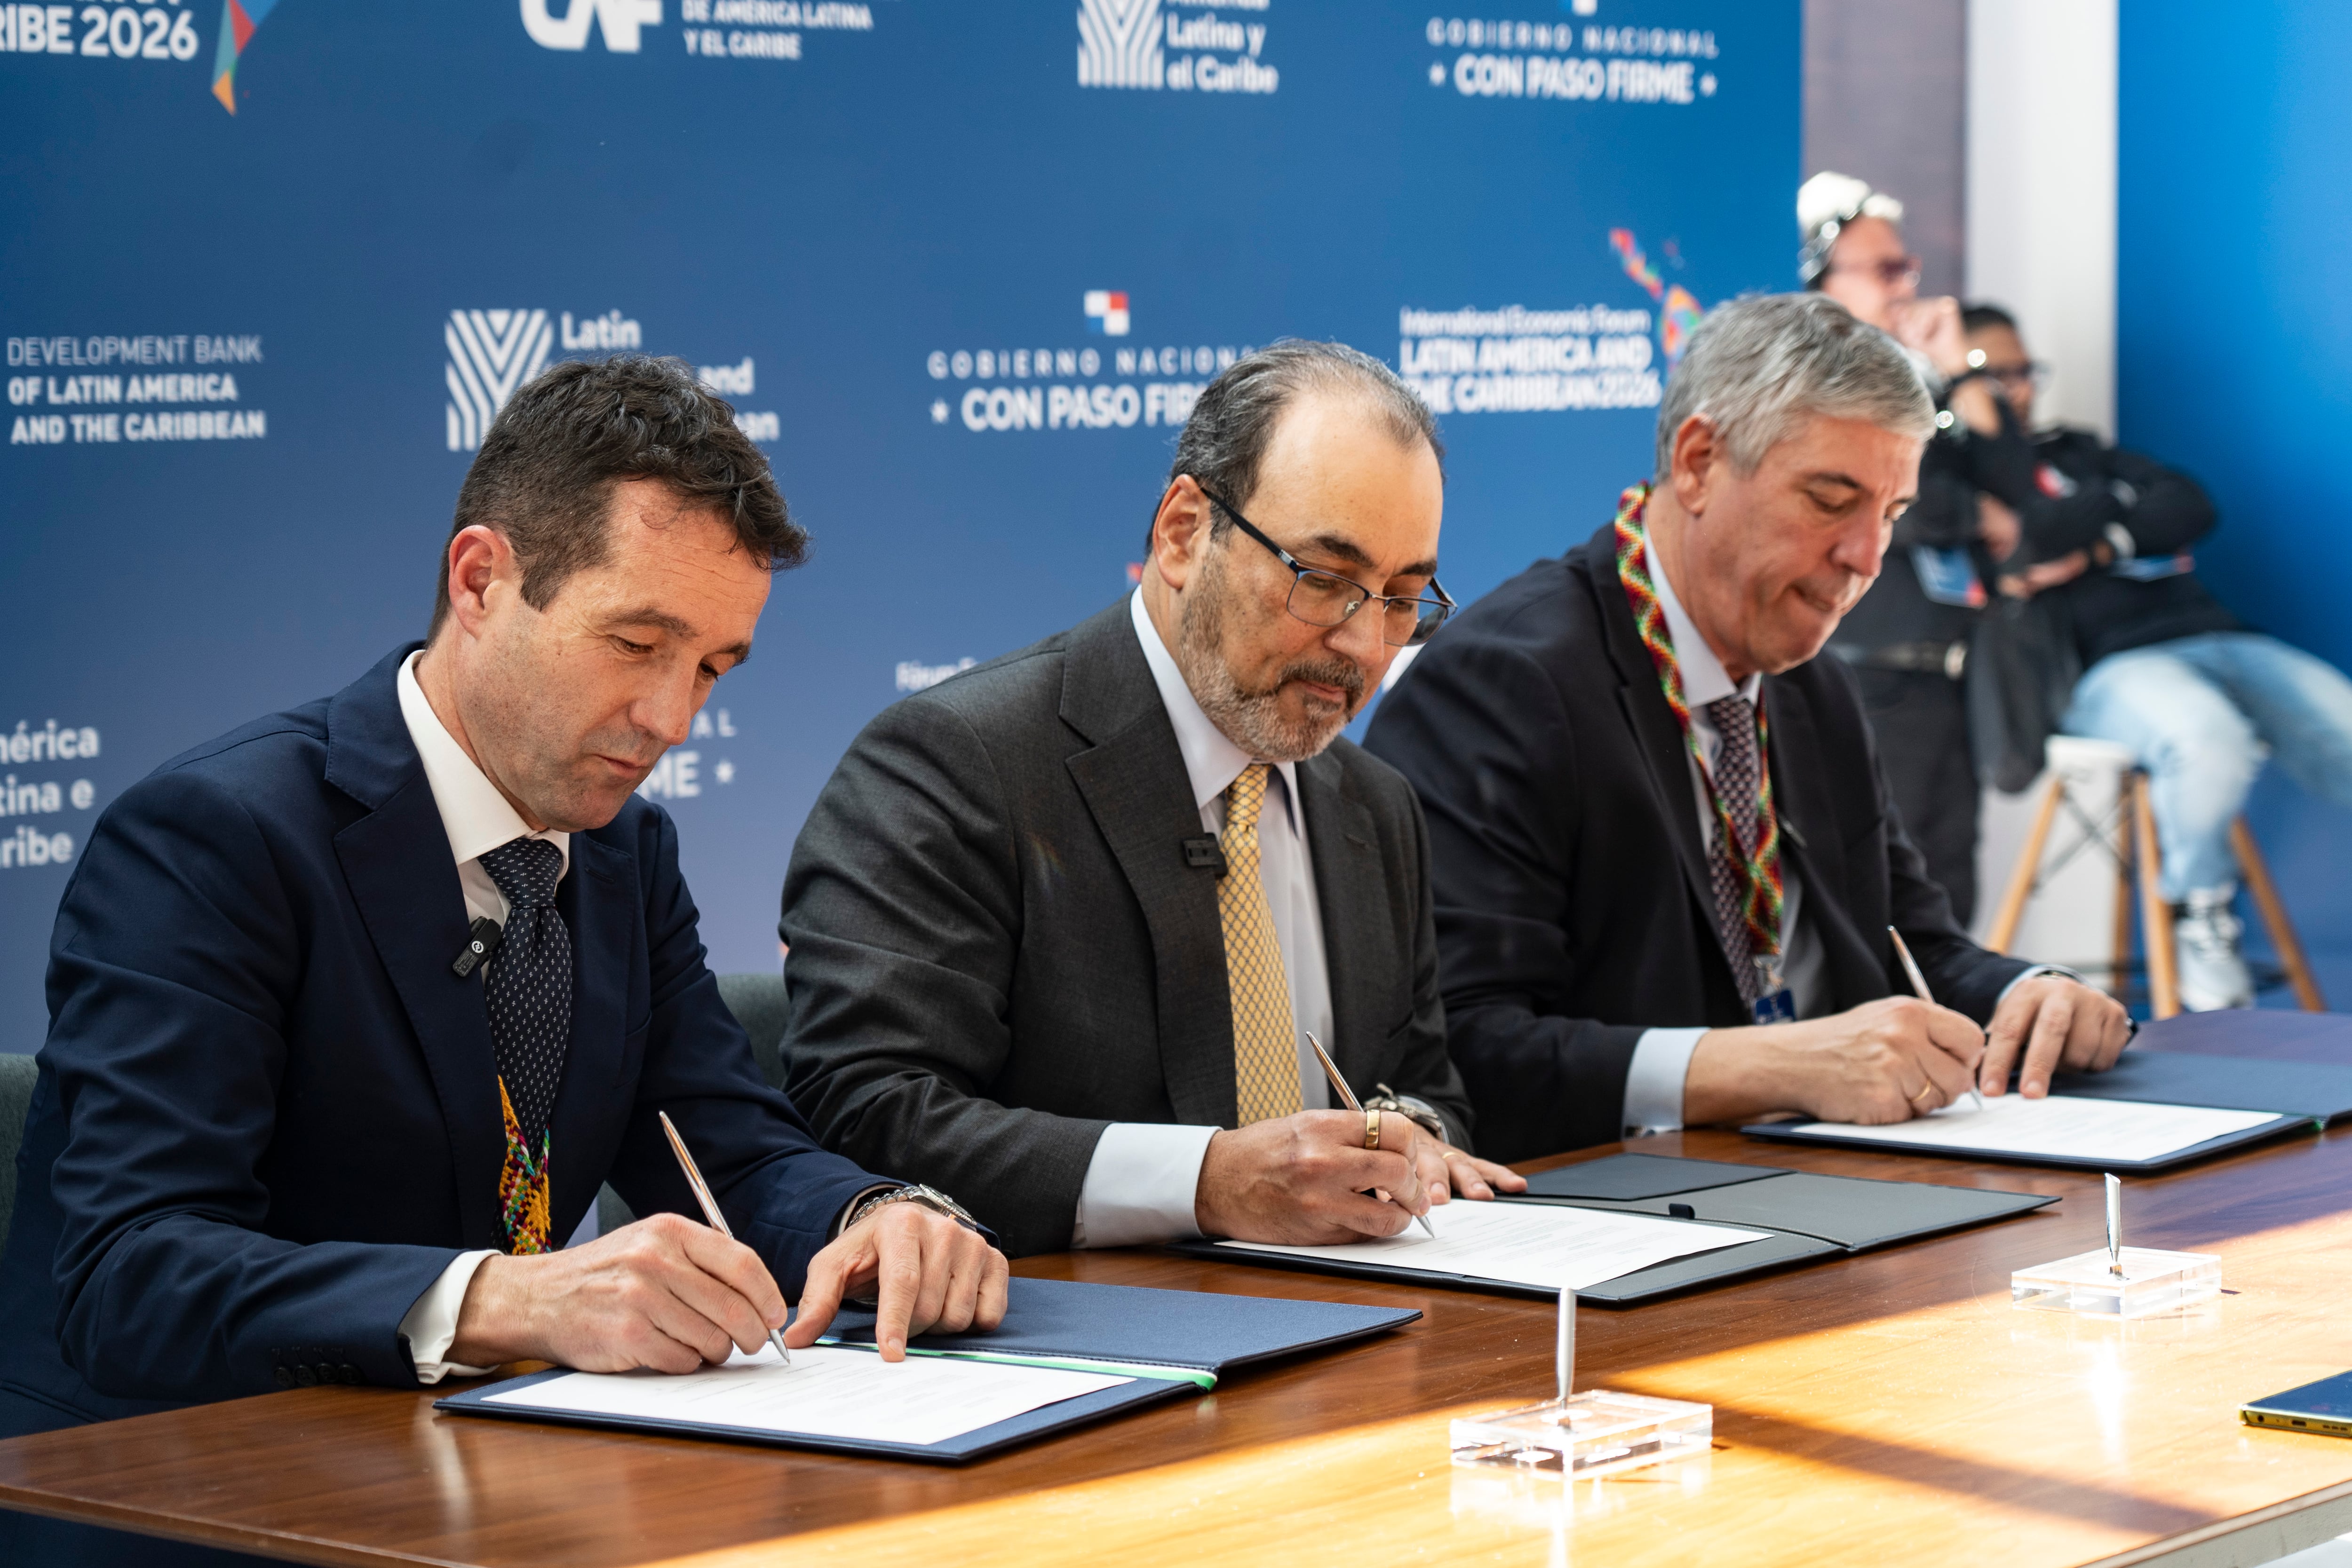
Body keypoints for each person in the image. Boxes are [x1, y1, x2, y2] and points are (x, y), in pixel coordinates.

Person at [0, 356, 1007, 1470]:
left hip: (472, 1470)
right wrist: (506, 1298)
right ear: (481, 581)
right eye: (636, 644)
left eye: (713, 667)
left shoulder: (624, 849)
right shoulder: (213, 838)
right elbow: (129, 1274)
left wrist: (874, 1214)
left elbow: (730, 1149)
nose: (672, 717)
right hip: (176, 1480)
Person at [779, 340, 1523, 1259]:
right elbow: (871, 1110)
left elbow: (1422, 1085)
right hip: (1091, 1351)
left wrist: (1413, 1143)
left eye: (1404, 598)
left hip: (1368, 1338)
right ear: (1182, 533)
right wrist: (1205, 1182)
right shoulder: (958, 762)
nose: (1366, 644)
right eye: (1325, 581)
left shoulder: (1375, 805)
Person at [1361, 294, 2131, 1162]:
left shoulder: (1817, 688)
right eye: (1832, 500)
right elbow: (1472, 1054)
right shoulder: (1508, 680)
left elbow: (1906, 948)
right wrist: (1771, 1066)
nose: (1868, 557)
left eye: (1893, 514)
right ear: (1697, 463)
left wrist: (2030, 994)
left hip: (1829, 1187)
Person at [1964, 304, 2352, 1010]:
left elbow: (2191, 504)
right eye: (1993, 374)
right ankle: (2198, 911)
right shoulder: (1963, 477)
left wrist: (2096, 545)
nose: (2015, 387)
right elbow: (2038, 536)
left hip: (2217, 634)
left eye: (2023, 371)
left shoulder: (2082, 450)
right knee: (2209, 741)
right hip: (2108, 669)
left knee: (2343, 724)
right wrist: (2111, 510)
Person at [1801, 171, 2041, 926]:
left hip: (1955, 677)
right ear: (1821, 280)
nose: (1905, 284)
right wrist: (1973, 510)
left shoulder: (1919, 377)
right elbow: (1897, 501)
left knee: (1949, 892)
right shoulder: (1810, 377)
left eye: (1908, 267)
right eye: (1883, 270)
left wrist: (1958, 370)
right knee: (1876, 895)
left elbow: (2019, 485)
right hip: (1868, 680)